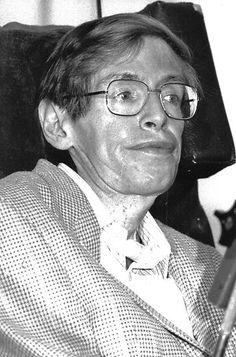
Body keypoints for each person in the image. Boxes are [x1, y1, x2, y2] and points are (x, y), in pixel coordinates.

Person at [0, 12, 235, 357]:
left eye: (172, 97)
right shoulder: (13, 217)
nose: (159, 116)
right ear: (58, 124)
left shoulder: (210, 265)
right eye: (125, 94)